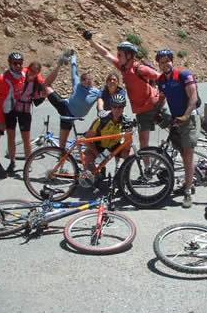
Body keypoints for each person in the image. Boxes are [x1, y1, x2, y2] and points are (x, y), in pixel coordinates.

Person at [84, 31, 160, 151]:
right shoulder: (123, 68)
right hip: (142, 110)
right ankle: (147, 169)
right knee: (143, 142)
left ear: (129, 56)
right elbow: (106, 54)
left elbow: (159, 77)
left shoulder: (139, 68)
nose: (117, 57)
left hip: (155, 104)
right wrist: (91, 41)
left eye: (120, 55)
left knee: (176, 127)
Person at [154, 49, 200, 208]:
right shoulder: (161, 79)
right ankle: (190, 180)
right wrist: (157, 111)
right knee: (182, 152)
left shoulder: (183, 75)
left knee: (187, 154)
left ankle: (188, 190)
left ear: (172, 61)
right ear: (158, 64)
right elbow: (162, 97)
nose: (165, 64)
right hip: (176, 118)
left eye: (167, 60)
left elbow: (193, 97)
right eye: (161, 62)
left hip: (189, 117)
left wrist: (186, 116)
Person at [42, 50, 102, 148]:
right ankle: (59, 65)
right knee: (46, 86)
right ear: (81, 80)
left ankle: (63, 153)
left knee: (63, 144)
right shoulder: (77, 84)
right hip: (65, 108)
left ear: (92, 81)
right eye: (84, 80)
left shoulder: (96, 92)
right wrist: (73, 56)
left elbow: (103, 99)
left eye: (89, 80)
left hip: (73, 115)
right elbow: (74, 69)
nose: (86, 82)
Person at [83, 93, 132, 177]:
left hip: (113, 147)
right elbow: (87, 140)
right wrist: (97, 154)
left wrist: (128, 136)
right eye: (114, 106)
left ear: (124, 108)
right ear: (111, 107)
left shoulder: (126, 122)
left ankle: (121, 177)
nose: (117, 109)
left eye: (120, 107)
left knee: (130, 156)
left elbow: (127, 146)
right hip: (99, 147)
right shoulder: (101, 120)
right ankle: (97, 174)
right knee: (87, 159)